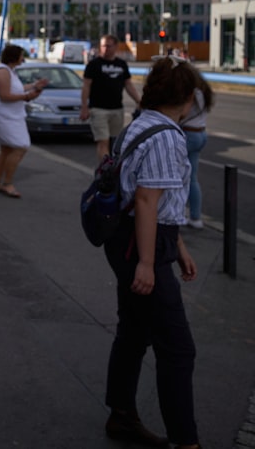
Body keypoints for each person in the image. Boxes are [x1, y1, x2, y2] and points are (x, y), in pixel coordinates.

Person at [102, 56, 203, 449]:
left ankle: (121, 415)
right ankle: (186, 441)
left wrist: (177, 245)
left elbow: (152, 199)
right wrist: (148, 261)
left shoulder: (141, 125)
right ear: (188, 97)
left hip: (132, 238)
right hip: (141, 245)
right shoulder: (167, 135)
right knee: (178, 349)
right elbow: (146, 200)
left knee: (134, 331)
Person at [0, 44, 48, 198]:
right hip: (3, 116)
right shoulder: (2, 72)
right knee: (21, 146)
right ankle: (7, 183)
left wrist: (34, 86)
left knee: (7, 150)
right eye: (21, 55)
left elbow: (15, 89)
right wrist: (27, 97)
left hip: (11, 116)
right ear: (14, 56)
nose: (23, 58)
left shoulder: (9, 71)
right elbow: (5, 95)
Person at [80, 34, 142, 164]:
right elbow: (86, 86)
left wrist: (138, 100)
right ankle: (106, 169)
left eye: (108, 46)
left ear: (116, 47)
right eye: (103, 46)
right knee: (103, 141)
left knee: (115, 142)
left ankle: (112, 166)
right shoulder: (94, 64)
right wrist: (84, 106)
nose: (105, 48)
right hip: (98, 109)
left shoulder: (121, 64)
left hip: (117, 108)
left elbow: (128, 84)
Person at [180, 69, 214, 230]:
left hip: (188, 134)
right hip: (200, 134)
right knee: (192, 178)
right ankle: (195, 217)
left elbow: (182, 113)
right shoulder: (204, 92)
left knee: (177, 178)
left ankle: (178, 215)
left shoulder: (190, 92)